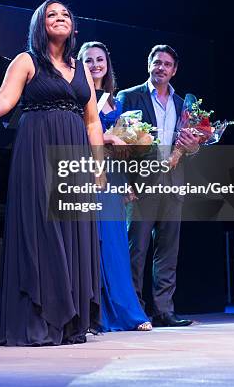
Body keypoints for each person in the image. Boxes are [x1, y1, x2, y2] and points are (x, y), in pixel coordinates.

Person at [0, 0, 102, 346]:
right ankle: (40, 318)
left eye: (66, 14)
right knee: (43, 231)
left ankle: (68, 322)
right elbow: (5, 99)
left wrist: (98, 166)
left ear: (73, 26)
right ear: (40, 24)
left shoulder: (80, 67)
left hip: (75, 155)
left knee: (72, 233)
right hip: (37, 150)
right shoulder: (27, 61)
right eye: (52, 14)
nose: (60, 18)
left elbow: (92, 121)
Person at [117, 44, 199, 327]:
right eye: (156, 62)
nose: (161, 67)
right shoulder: (128, 97)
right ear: (148, 64)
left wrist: (193, 145)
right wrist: (125, 183)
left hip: (173, 184)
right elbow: (119, 145)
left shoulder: (183, 104)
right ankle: (135, 311)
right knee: (136, 250)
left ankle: (164, 310)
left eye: (166, 64)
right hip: (141, 184)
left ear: (174, 70)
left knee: (168, 250)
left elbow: (193, 145)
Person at [78, 41, 152, 332]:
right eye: (89, 60)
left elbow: (123, 146)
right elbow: (76, 134)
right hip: (90, 172)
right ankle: (97, 313)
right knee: (97, 242)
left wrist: (128, 181)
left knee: (117, 245)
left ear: (107, 63)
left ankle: (127, 312)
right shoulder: (81, 95)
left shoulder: (115, 102)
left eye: (100, 59)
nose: (96, 65)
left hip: (116, 177)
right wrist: (106, 138)